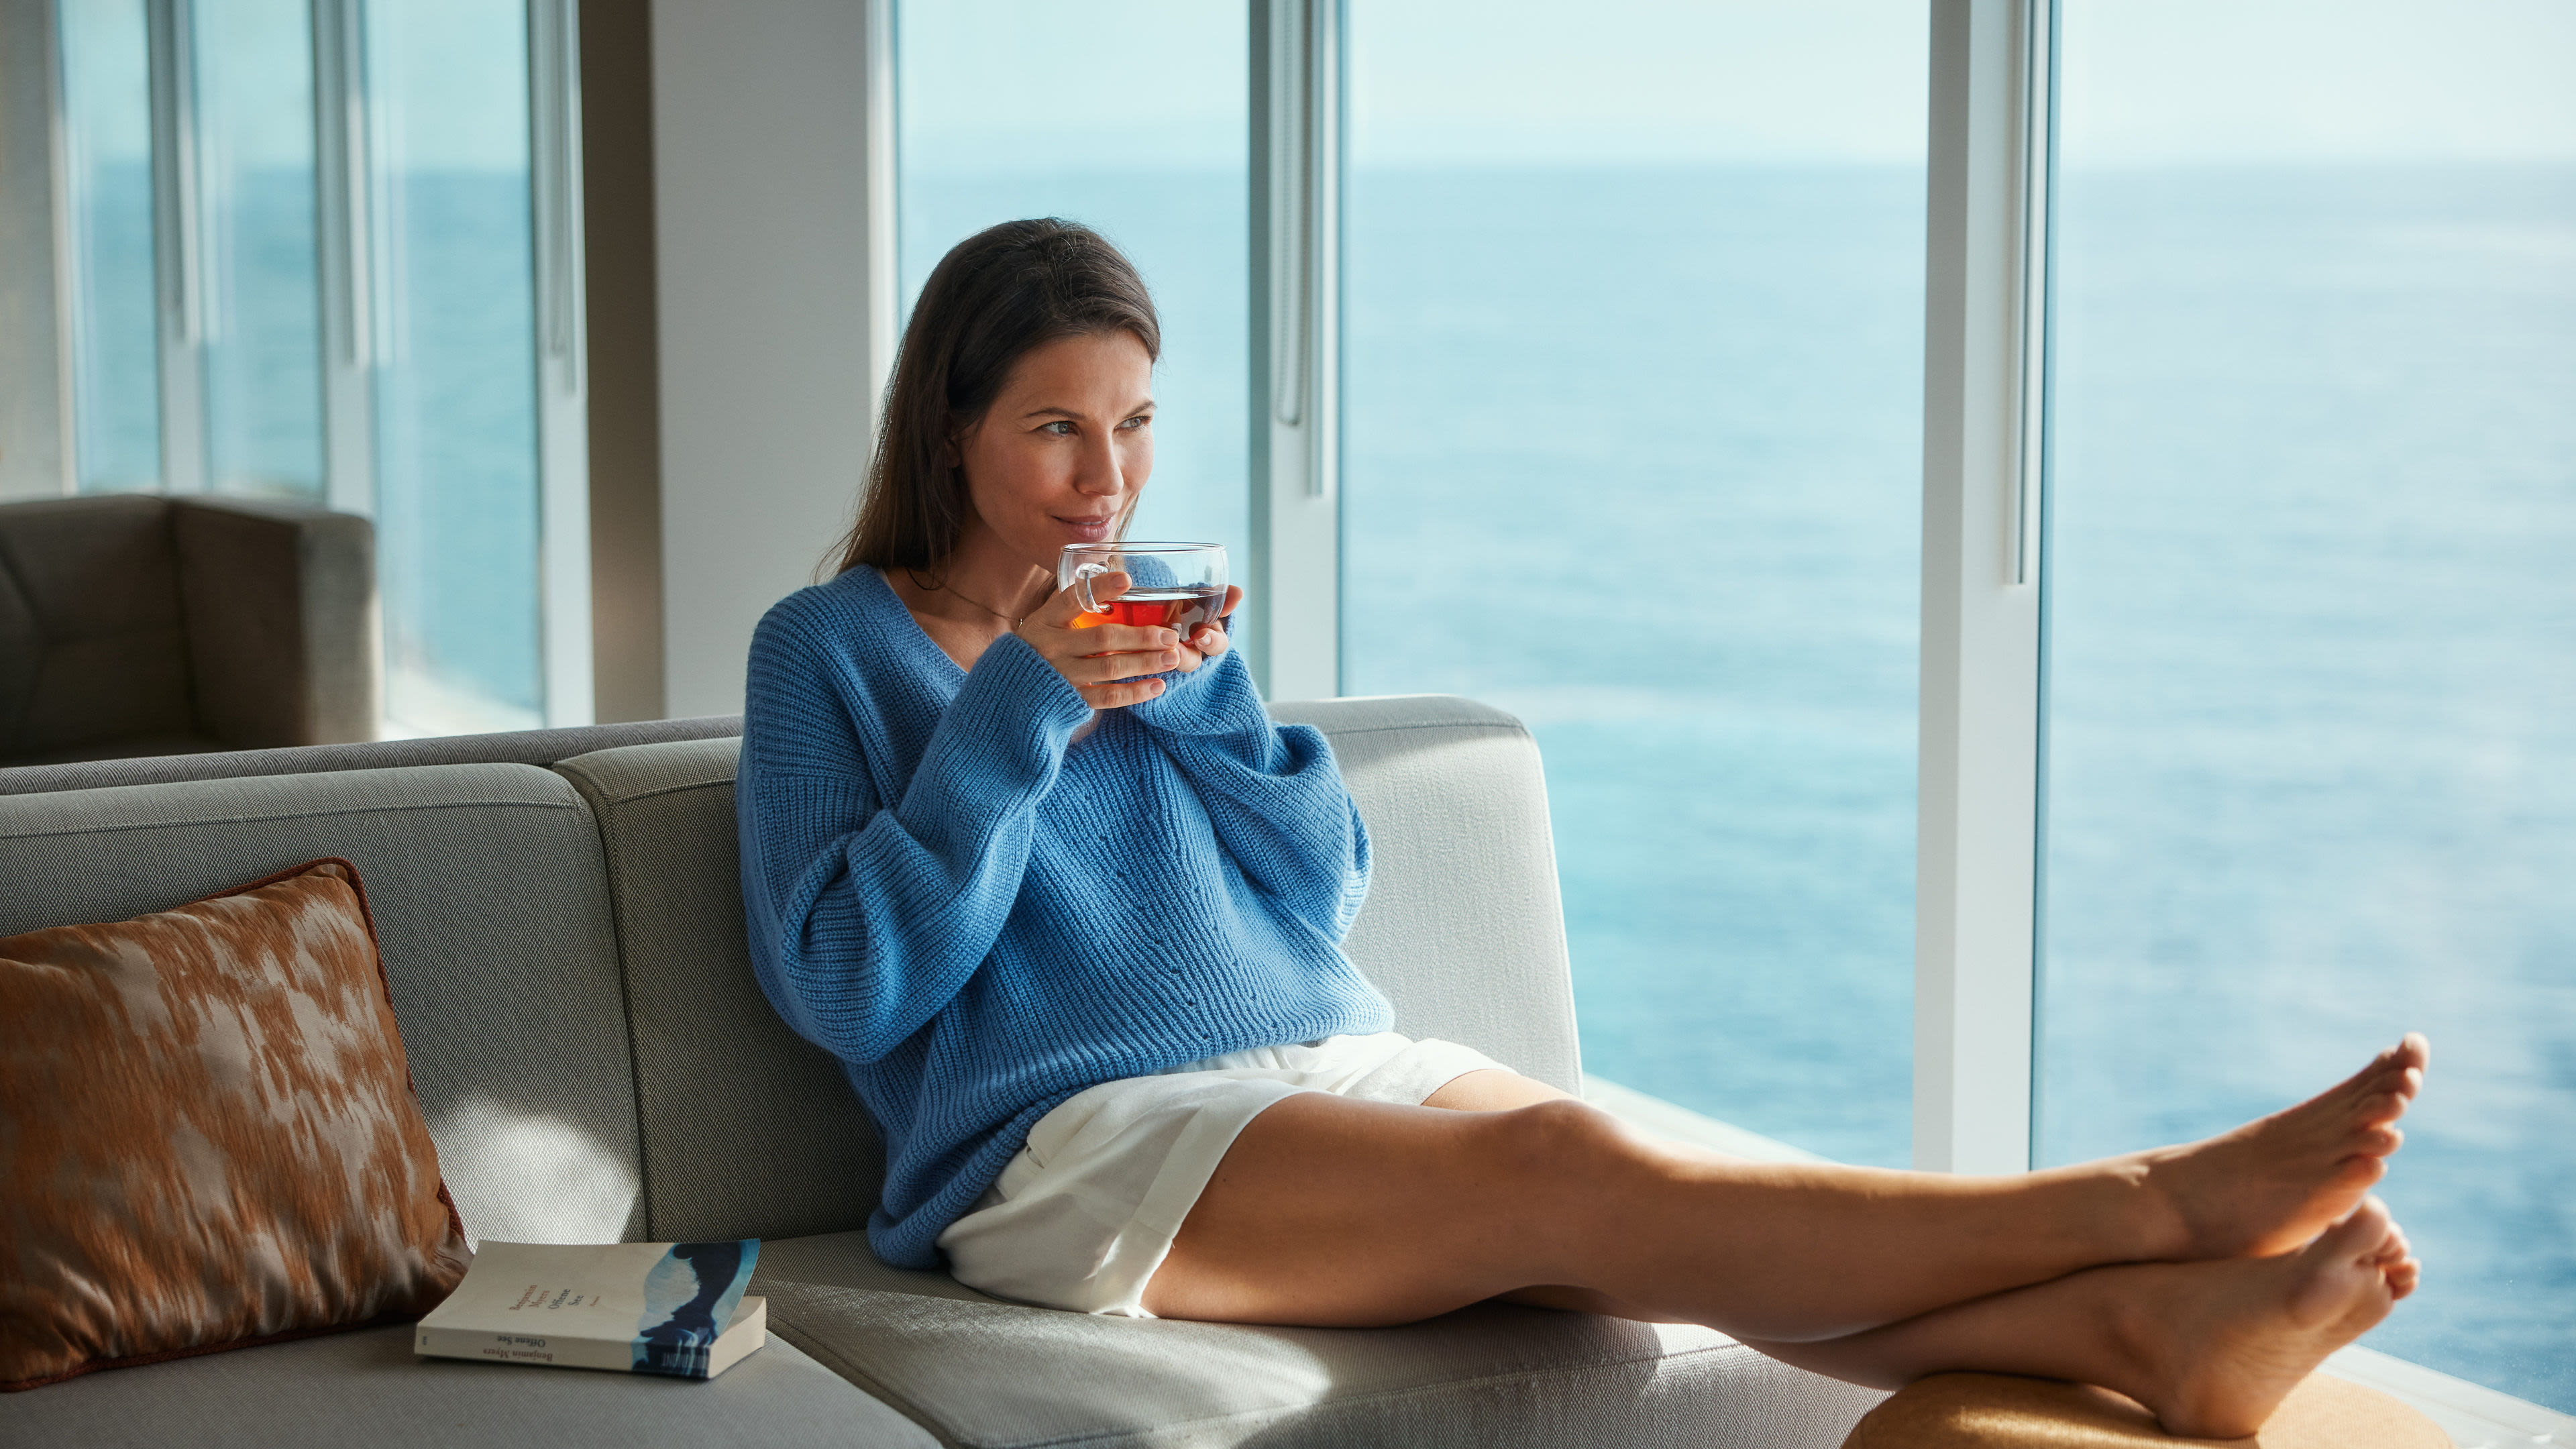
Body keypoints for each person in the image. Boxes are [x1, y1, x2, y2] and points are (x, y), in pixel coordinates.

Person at [738, 217, 2426, 1440]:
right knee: (1575, 1163)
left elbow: (1324, 889)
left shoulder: (1150, 622)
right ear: (950, 431)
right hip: (1072, 1138)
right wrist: (1027, 703)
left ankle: (2150, 1333)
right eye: (1054, 425)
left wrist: (1189, 695)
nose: (1106, 474)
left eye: (1136, 422)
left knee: (1666, 1207)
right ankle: (2135, 1203)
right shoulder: (828, 649)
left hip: (1325, 1058)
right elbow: (846, 987)